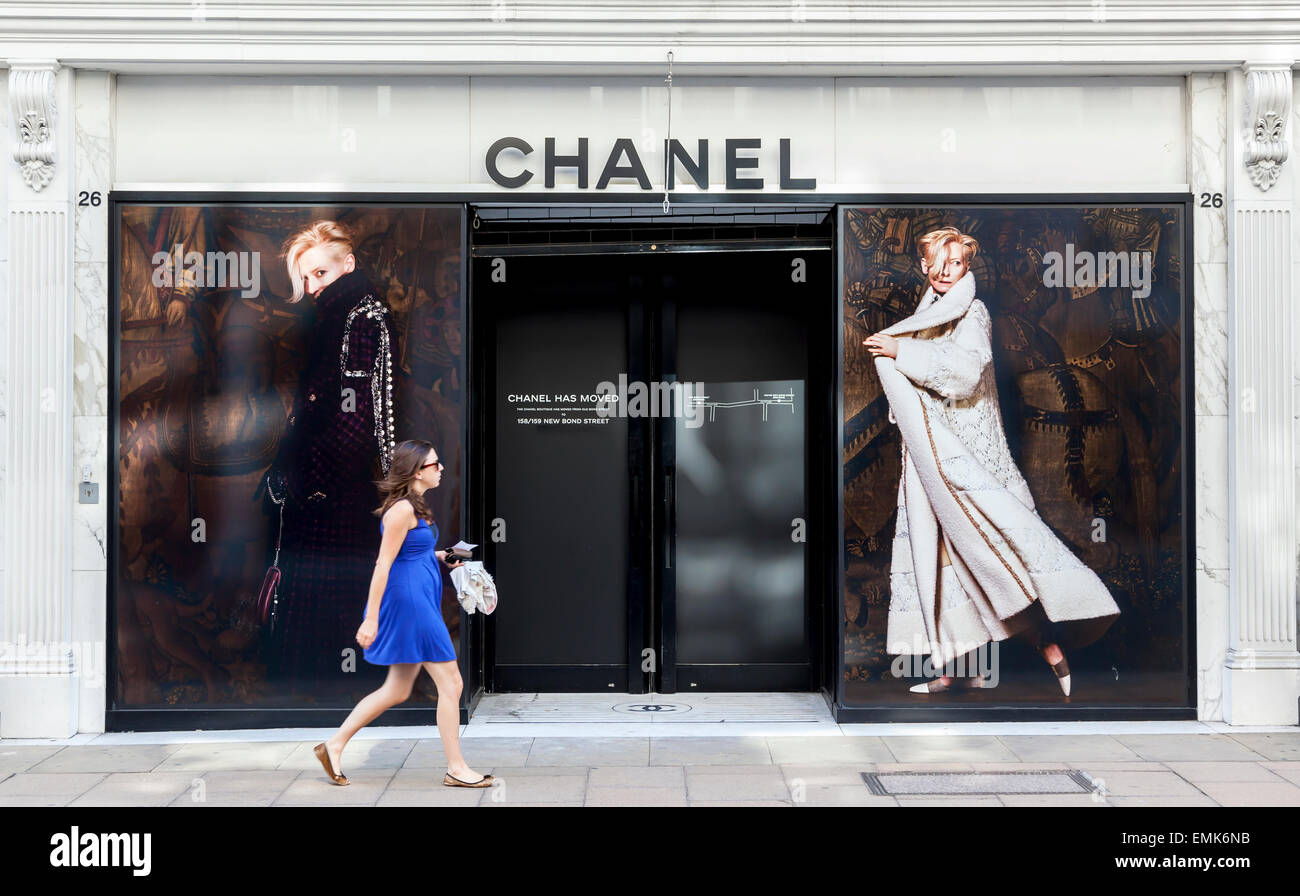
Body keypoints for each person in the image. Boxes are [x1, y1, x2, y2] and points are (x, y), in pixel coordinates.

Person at [863, 226, 1119, 696]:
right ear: (923, 266)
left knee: (992, 558)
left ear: (967, 267)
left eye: (955, 263)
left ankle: (1050, 647)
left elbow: (963, 372)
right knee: (941, 565)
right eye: (937, 263)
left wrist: (903, 351)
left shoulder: (973, 313)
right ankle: (952, 667)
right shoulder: (926, 313)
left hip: (969, 462)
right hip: (929, 466)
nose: (945, 272)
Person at [262, 220, 397, 698]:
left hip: (339, 491)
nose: (313, 287)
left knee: (334, 595)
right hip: (323, 486)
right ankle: (315, 692)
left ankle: (334, 693)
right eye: (306, 279)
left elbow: (360, 411)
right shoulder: (335, 317)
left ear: (348, 264)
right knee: (315, 594)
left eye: (320, 273)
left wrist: (318, 484)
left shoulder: (362, 317)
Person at [313, 440, 490, 788]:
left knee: (396, 689)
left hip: (418, 599)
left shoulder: (415, 506)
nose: (441, 469)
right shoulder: (401, 511)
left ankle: (333, 745)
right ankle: (456, 768)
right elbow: (383, 564)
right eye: (434, 464)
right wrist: (371, 618)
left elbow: (413, 552)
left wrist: (443, 555)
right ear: (415, 471)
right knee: (452, 684)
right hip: (412, 606)